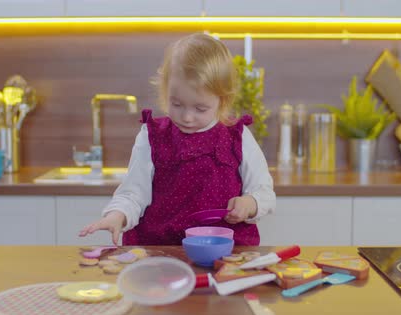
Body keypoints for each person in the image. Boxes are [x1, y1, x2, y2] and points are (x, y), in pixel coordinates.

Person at [78, 33, 276, 246]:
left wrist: (250, 203)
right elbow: (133, 193)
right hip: (160, 251)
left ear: (223, 100)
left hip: (225, 254)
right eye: (177, 104)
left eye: (200, 108)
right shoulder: (152, 136)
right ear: (165, 91)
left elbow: (265, 193)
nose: (187, 117)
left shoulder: (237, 137)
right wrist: (116, 216)